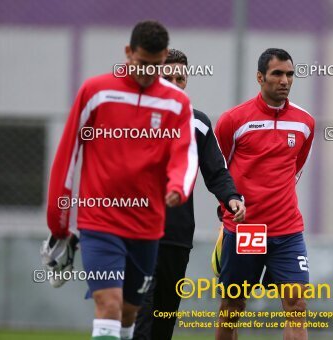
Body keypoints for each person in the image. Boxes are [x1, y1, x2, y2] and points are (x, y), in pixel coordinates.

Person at [45, 21, 198, 340]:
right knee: (109, 306)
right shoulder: (96, 92)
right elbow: (68, 154)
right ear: (128, 53)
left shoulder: (176, 103)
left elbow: (184, 154)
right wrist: (58, 221)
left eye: (156, 66)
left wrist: (177, 187)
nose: (148, 72)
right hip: (99, 221)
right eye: (142, 64)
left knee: (130, 312)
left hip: (147, 225)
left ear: (165, 57)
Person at [133, 49, 245, 340]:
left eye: (179, 78)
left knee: (163, 320)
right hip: (137, 233)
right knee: (139, 318)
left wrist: (231, 197)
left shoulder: (198, 123)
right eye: (166, 76)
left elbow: (217, 171)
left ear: (186, 82)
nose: (173, 82)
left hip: (177, 237)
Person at [214, 48, 315, 340]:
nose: (285, 81)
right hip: (247, 230)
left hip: (288, 229)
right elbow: (219, 171)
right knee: (232, 306)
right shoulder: (233, 120)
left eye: (290, 74)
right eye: (277, 74)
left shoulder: (305, 123)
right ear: (260, 77)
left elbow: (295, 168)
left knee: (297, 305)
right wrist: (228, 208)